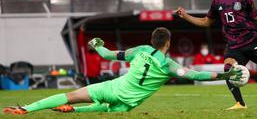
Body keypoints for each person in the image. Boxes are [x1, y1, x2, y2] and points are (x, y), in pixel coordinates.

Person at [3, 27, 243, 115]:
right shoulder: (170, 66)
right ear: (168, 44)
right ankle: (75, 111)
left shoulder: (139, 50)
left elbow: (108, 54)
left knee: (71, 94)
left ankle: (26, 109)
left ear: (152, 40)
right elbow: (196, 75)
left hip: (111, 87)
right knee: (109, 110)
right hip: (127, 103)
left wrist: (97, 45)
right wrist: (226, 75)